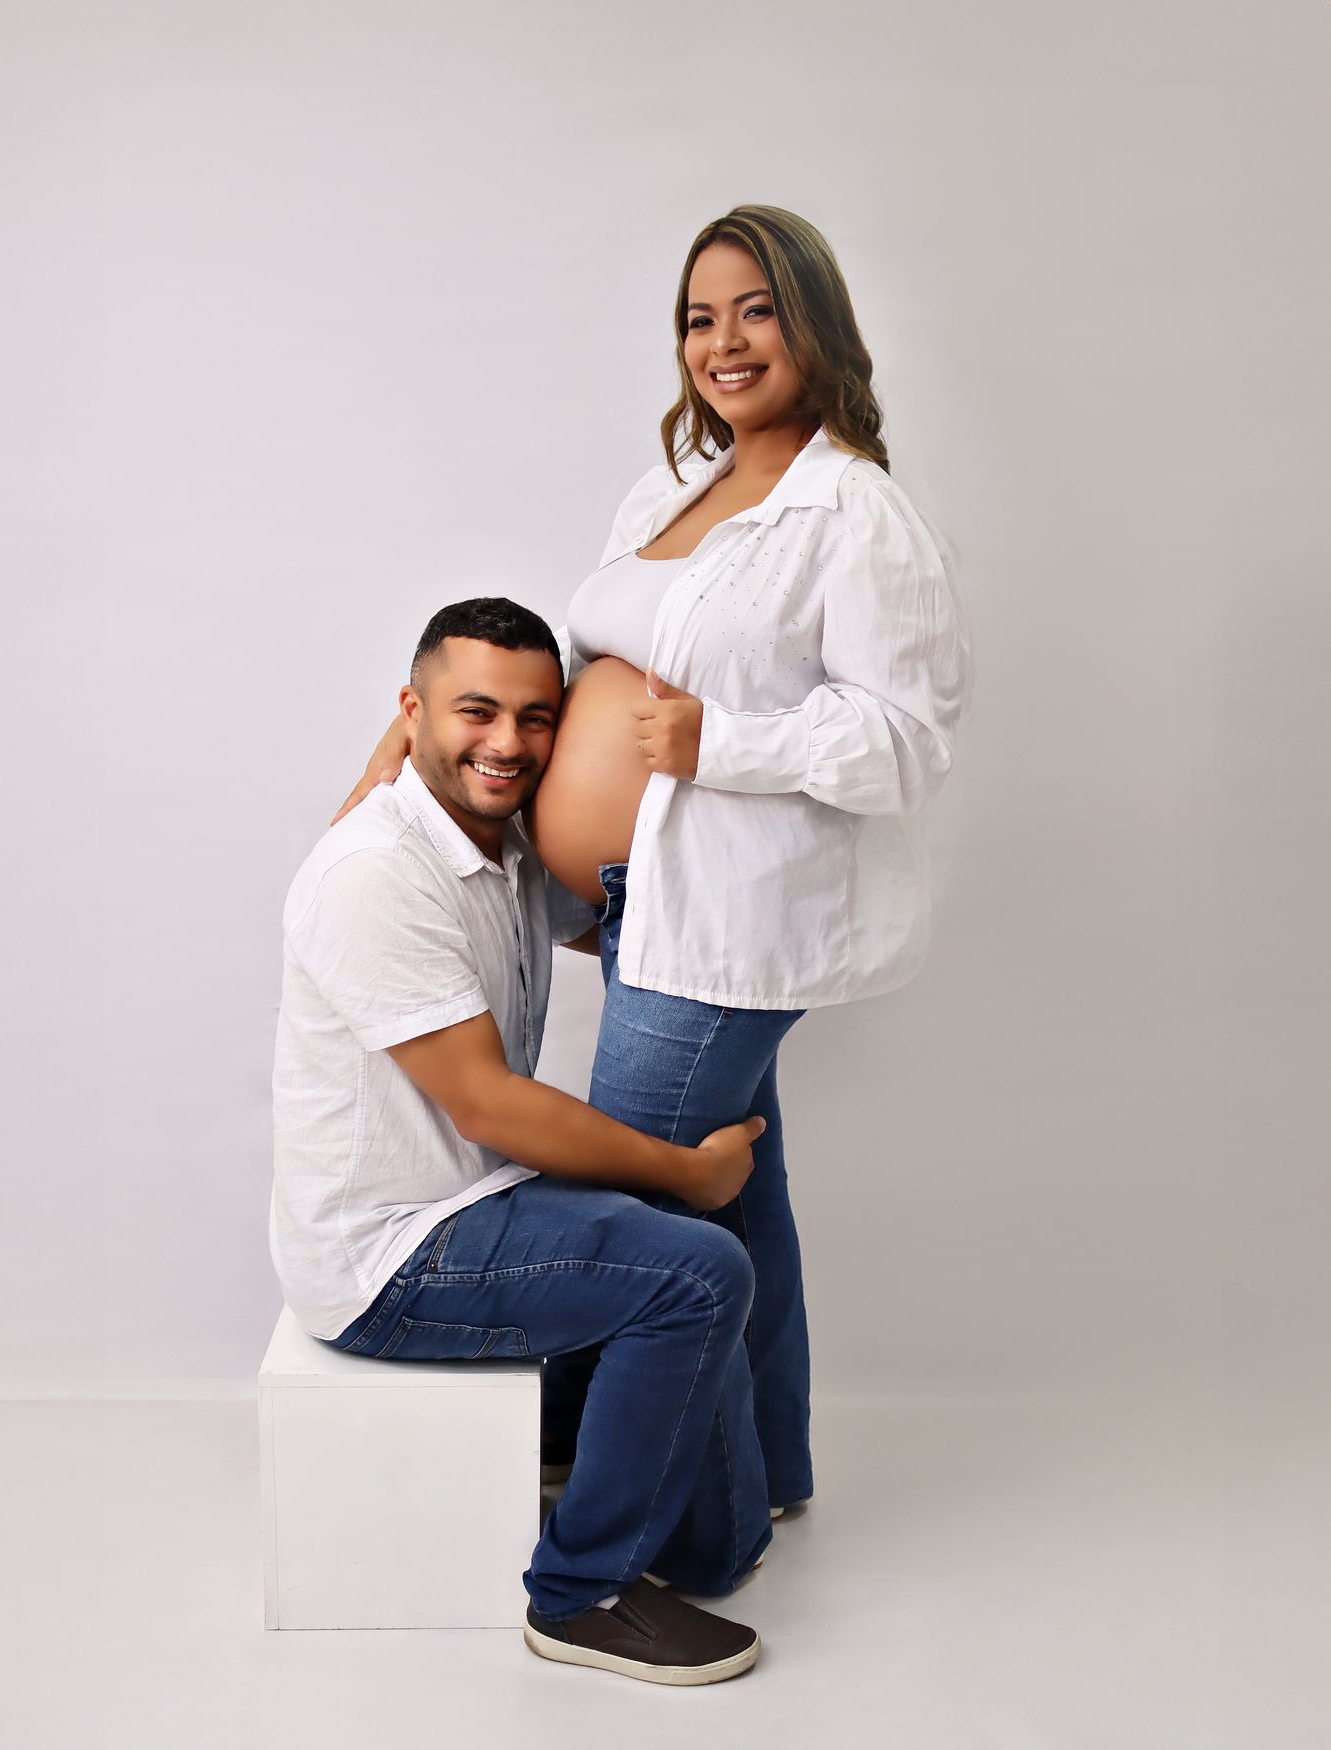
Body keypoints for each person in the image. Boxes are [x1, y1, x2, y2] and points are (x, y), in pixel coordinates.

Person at [336, 204, 970, 1518]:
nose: (723, 342)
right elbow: (592, 679)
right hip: (636, 906)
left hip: (730, 924)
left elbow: (908, 742)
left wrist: (714, 741)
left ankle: (660, 1502)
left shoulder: (856, 512)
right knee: (735, 1192)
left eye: (756, 311)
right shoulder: (672, 488)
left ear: (814, 323)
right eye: (699, 318)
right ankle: (771, 1473)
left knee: (628, 1204)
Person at [272, 597, 776, 1685]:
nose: (508, 742)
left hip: (468, 1200)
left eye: (535, 717)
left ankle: (668, 1519)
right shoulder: (376, 874)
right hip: (390, 1257)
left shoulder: (496, 848)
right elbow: (489, 1107)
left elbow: (609, 909)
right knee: (695, 1272)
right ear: (411, 712)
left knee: (667, 1245)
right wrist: (688, 1170)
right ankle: (581, 1595)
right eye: (475, 712)